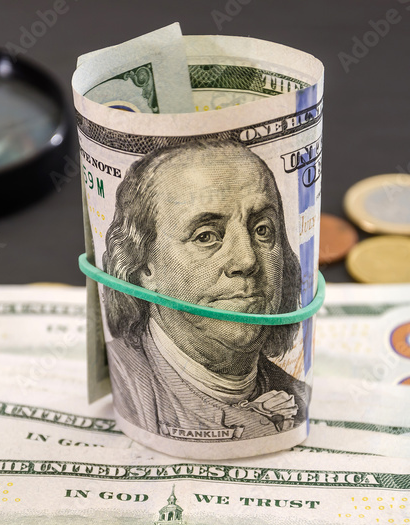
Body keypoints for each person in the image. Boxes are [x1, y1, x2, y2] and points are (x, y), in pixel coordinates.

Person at [102, 138, 309, 443]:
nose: (247, 260)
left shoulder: (299, 395)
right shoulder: (126, 384)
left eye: (262, 230)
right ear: (146, 267)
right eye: (206, 236)